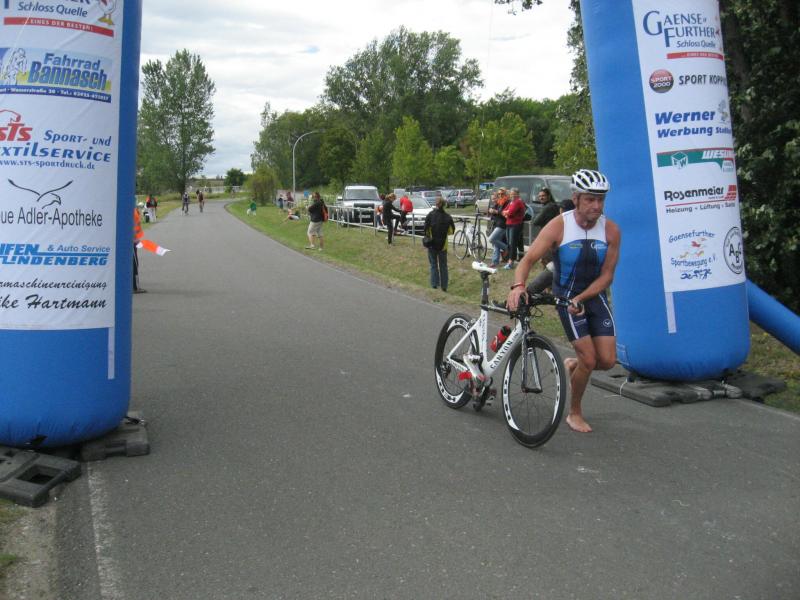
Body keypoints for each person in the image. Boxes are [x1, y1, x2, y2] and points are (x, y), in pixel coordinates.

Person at [506, 169, 621, 434]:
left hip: (593, 297)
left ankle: (574, 365)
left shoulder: (611, 231)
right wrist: (519, 286)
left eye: (601, 200)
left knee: (607, 361)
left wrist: (583, 297)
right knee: (589, 359)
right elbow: (527, 260)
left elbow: (607, 276)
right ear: (576, 198)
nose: (596, 206)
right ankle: (575, 413)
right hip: (565, 298)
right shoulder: (560, 226)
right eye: (590, 199)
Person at [423, 196, 455, 291]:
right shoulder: (448, 217)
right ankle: (444, 286)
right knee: (443, 266)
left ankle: (434, 284)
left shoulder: (430, 215)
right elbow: (451, 231)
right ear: (444, 205)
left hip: (432, 244)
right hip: (443, 245)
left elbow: (426, 229)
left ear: (436, 204)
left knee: (433, 264)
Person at [501, 188, 526, 269]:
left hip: (515, 225)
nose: (512, 195)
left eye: (514, 194)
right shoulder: (511, 202)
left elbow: (511, 212)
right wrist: (506, 213)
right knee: (509, 243)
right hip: (509, 224)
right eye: (511, 194)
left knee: (512, 244)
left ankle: (511, 262)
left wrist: (507, 213)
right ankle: (510, 261)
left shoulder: (518, 202)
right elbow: (503, 211)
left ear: (518, 194)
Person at [487, 188, 509, 268]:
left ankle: (508, 249)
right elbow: (495, 214)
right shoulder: (499, 202)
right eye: (499, 194)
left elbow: (504, 214)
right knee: (496, 244)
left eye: (502, 194)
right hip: (497, 224)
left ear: (505, 194)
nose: (500, 195)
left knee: (491, 239)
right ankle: (495, 262)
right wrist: (491, 211)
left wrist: (495, 212)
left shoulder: (507, 202)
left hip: (502, 225)